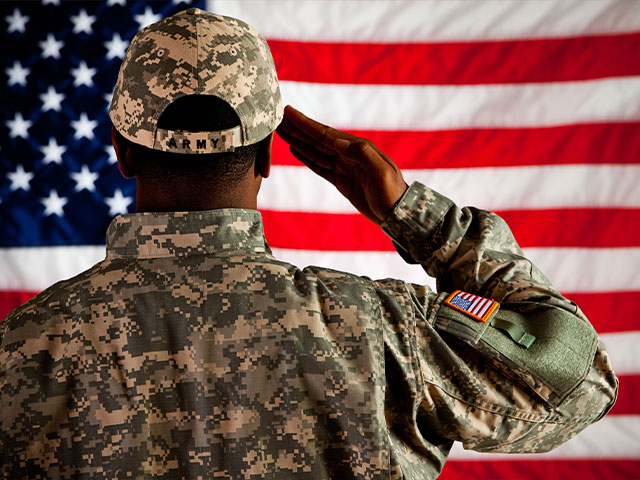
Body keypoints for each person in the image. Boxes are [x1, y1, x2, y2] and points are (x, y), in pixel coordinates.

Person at [0, 8, 617, 479]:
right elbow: (576, 380)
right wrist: (420, 218)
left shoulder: (19, 347)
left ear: (122, 150)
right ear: (269, 155)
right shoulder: (382, 331)